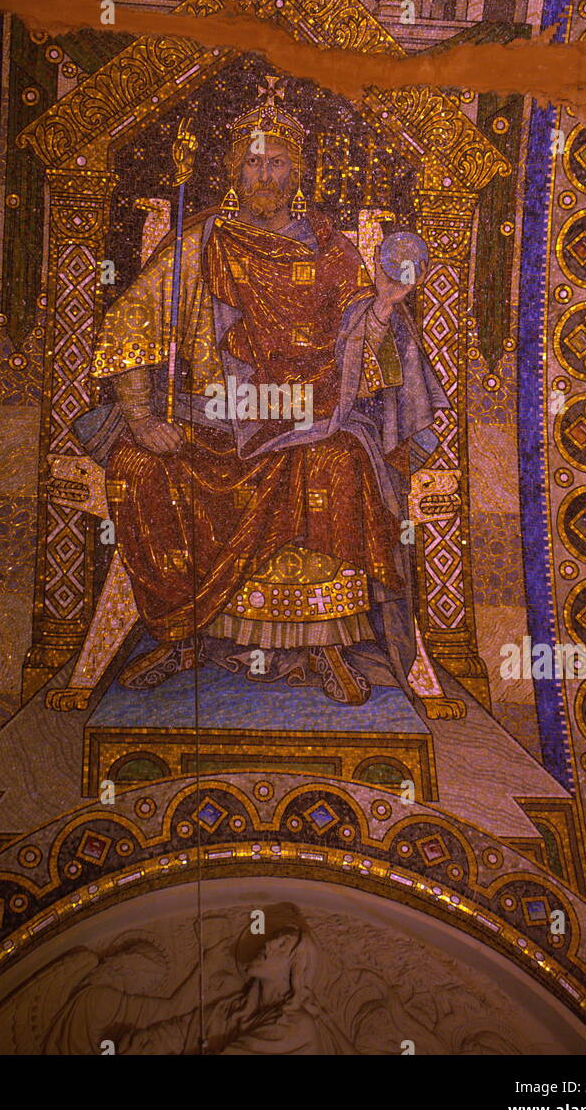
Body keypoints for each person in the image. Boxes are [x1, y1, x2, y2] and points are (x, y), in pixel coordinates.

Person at [87, 78, 448, 705]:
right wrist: (141, 415)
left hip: (310, 419)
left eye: (275, 160)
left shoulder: (331, 252)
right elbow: (129, 319)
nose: (263, 173)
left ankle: (326, 641)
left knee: (339, 466)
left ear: (295, 172)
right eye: (251, 160)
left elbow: (361, 342)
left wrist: (387, 308)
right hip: (217, 421)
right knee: (141, 464)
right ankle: (186, 633)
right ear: (234, 170)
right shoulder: (202, 245)